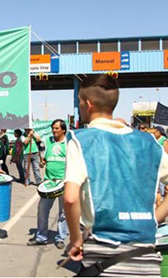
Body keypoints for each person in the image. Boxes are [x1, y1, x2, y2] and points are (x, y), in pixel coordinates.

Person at [64, 74, 168, 276]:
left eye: (79, 102)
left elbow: (70, 198)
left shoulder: (81, 140)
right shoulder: (149, 143)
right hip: (146, 257)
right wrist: (154, 219)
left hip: (104, 252)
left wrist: (76, 239)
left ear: (88, 104)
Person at [27, 119, 68, 249]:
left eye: (57, 128)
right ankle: (41, 237)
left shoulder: (68, 143)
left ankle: (60, 238)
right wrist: (42, 163)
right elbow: (45, 159)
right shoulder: (49, 142)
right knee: (42, 210)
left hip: (63, 183)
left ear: (63, 130)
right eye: (53, 128)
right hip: (49, 183)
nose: (54, 130)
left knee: (63, 213)